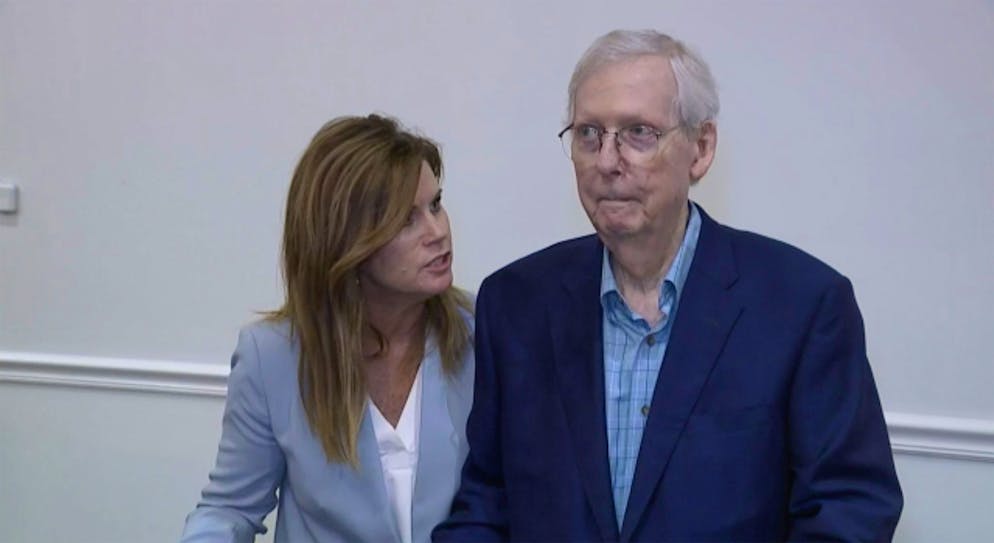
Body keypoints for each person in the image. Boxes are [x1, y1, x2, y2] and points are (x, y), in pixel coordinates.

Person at [434, 29, 902, 542]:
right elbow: (486, 499)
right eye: (589, 133)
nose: (608, 162)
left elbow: (849, 509)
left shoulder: (802, 304)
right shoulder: (516, 302)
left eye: (638, 133)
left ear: (700, 149)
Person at [181, 114, 474, 543]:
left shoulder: (483, 333)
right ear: (346, 241)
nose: (438, 232)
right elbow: (229, 510)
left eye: (436, 204)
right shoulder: (272, 356)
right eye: (406, 220)